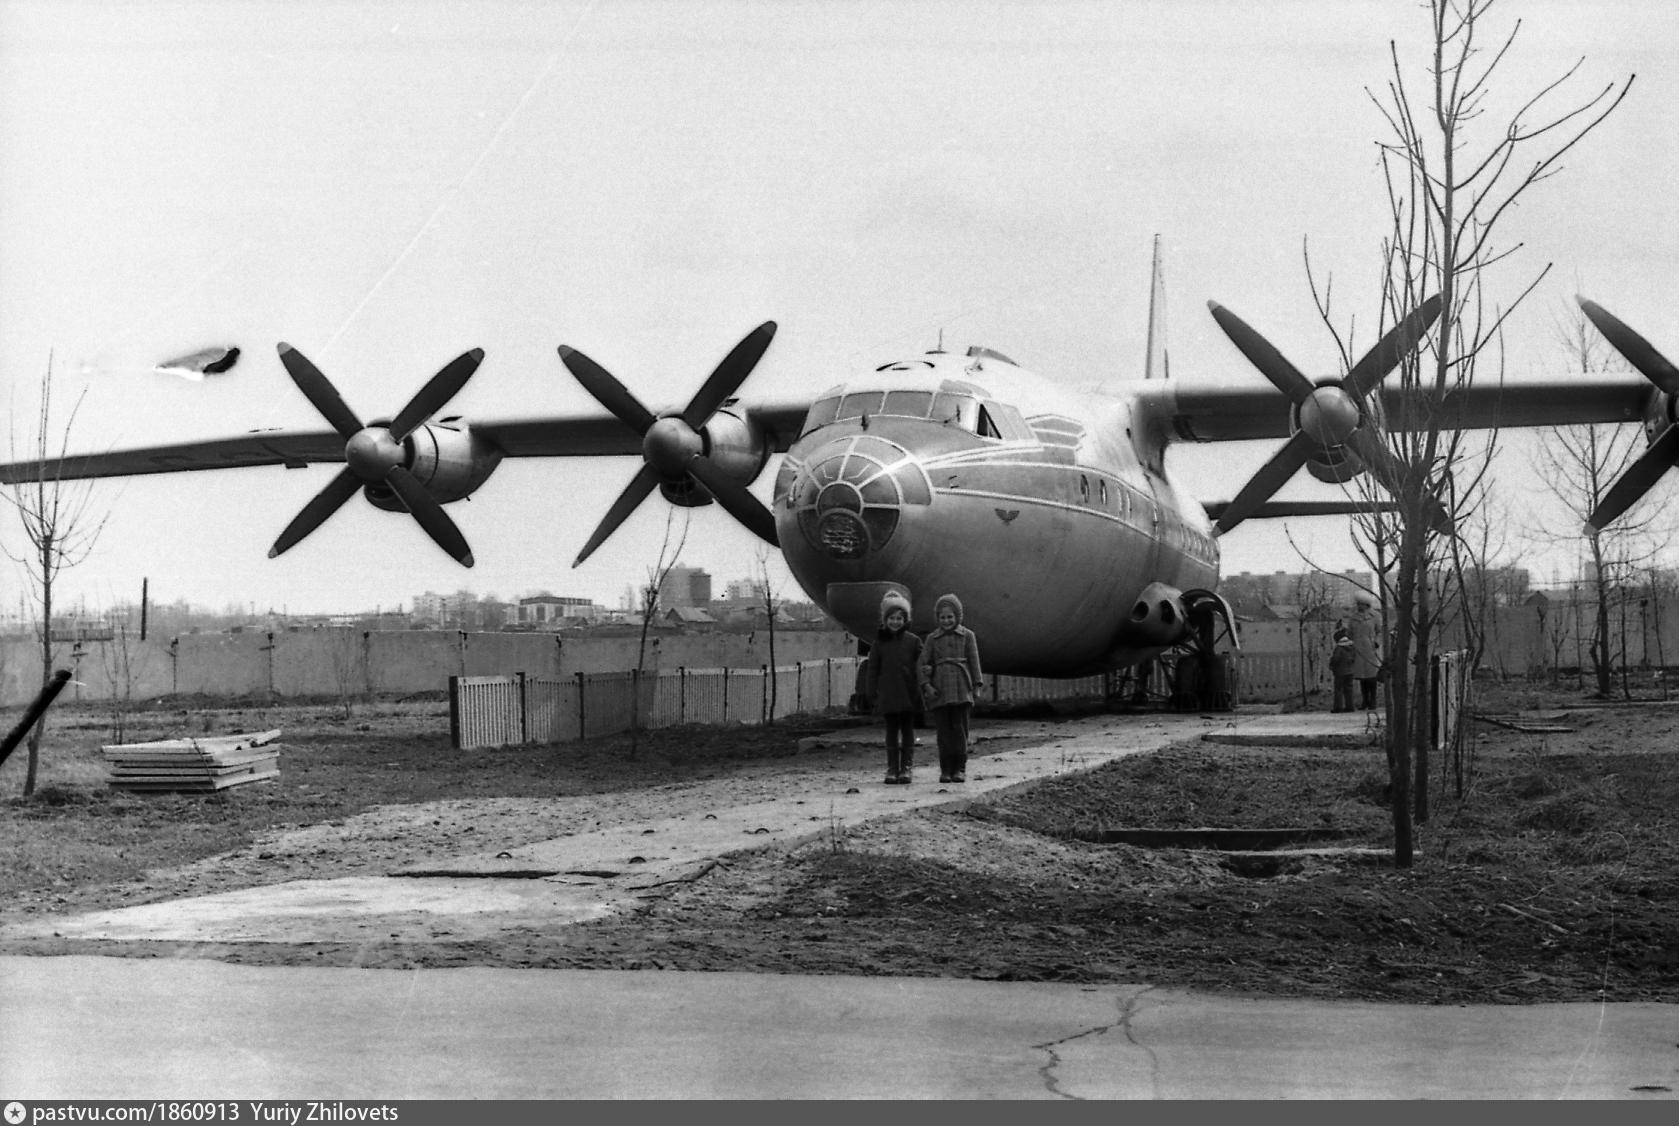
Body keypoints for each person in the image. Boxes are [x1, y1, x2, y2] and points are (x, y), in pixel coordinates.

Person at [919, 592, 983, 783]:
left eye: (950, 617)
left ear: (958, 616)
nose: (946, 621)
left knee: (960, 730)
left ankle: (960, 768)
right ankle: (945, 769)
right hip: (940, 691)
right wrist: (927, 686)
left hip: (962, 689)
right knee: (943, 732)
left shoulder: (968, 636)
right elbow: (923, 663)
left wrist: (976, 685)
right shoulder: (932, 639)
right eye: (942, 617)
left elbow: (974, 661)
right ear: (937, 618)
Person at [862, 591, 923, 784]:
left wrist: (924, 687)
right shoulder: (879, 644)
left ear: (905, 620)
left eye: (899, 618)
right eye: (892, 618)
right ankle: (892, 768)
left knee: (907, 731)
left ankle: (906, 768)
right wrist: (871, 693)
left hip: (908, 693)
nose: (895, 622)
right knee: (890, 732)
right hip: (888, 694)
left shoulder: (914, 642)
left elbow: (922, 666)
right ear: (885, 620)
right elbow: (872, 670)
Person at [1347, 594, 1383, 709]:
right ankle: (1365, 701)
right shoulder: (1353, 617)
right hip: (1358, 649)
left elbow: (1380, 631)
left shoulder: (1376, 616)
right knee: (1362, 676)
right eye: (1357, 604)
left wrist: (1376, 642)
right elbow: (1350, 633)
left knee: (1371, 675)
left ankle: (1373, 700)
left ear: (1366, 604)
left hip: (1371, 649)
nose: (1358, 606)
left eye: (1360, 604)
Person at [1329, 625, 1356, 713]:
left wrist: (1332, 664)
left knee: (1338, 689)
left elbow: (1336, 659)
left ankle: (1338, 707)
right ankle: (1350, 706)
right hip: (1350, 671)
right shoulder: (1352, 648)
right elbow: (1354, 658)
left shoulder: (1339, 648)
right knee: (1349, 689)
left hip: (1340, 671)